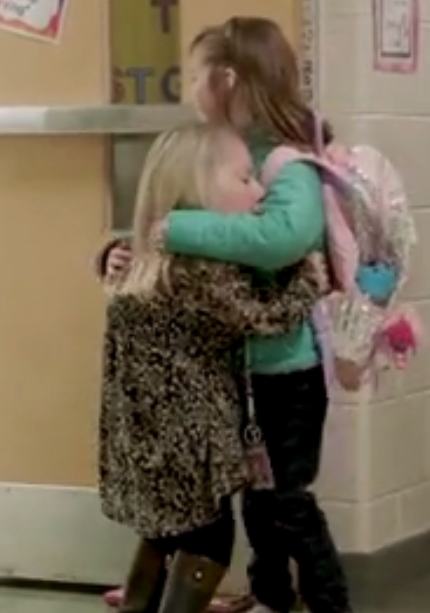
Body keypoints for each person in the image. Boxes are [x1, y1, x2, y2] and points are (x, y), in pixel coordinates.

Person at [102, 17, 350, 613]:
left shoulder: (286, 163)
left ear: (228, 79)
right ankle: (270, 595)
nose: (189, 87)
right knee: (256, 502)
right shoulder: (222, 154)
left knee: (282, 501)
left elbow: (279, 241)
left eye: (196, 75)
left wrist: (174, 230)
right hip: (237, 378)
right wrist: (122, 249)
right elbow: (193, 246)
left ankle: (328, 602)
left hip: (285, 375)